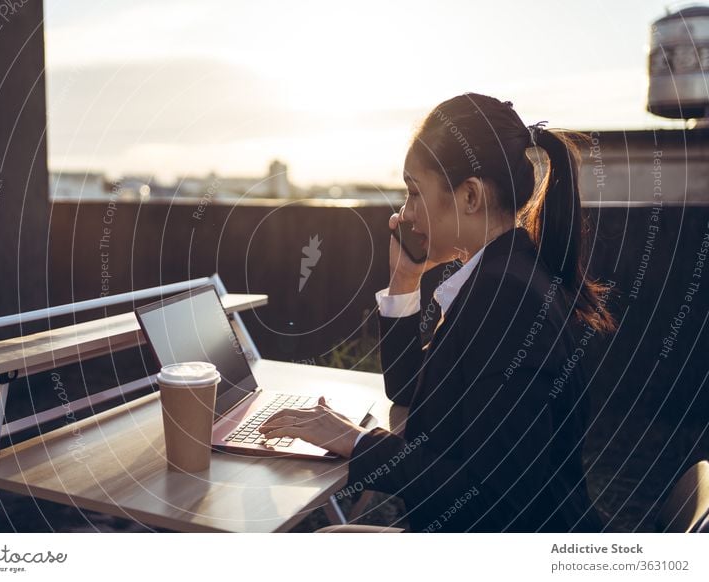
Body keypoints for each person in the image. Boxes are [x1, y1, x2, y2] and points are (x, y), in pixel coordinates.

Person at [260, 93, 615, 532]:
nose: (405, 213)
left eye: (413, 192)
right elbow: (411, 389)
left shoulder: (505, 297)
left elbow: (493, 495)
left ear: (469, 196)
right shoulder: (506, 272)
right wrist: (405, 280)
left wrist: (353, 441)